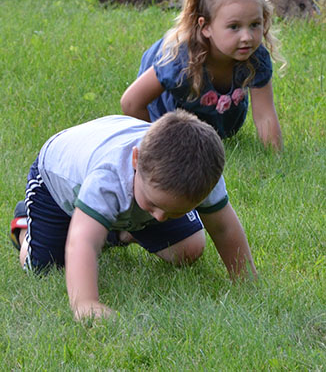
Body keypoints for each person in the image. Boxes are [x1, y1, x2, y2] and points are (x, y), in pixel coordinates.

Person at [10, 110, 256, 320]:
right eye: (154, 204)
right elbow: (81, 240)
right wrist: (85, 303)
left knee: (188, 249)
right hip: (56, 187)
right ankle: (24, 225)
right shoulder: (108, 177)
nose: (160, 217)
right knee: (44, 266)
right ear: (137, 160)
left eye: (175, 211)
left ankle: (114, 230)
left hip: (118, 178)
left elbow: (223, 228)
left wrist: (246, 280)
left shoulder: (202, 174)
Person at [121, 0, 284, 150]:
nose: (247, 36)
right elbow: (131, 102)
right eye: (234, 27)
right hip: (167, 120)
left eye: (255, 24)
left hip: (220, 124)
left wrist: (276, 160)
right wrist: (155, 145)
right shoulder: (180, 61)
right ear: (205, 26)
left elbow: (265, 115)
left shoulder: (255, 56)